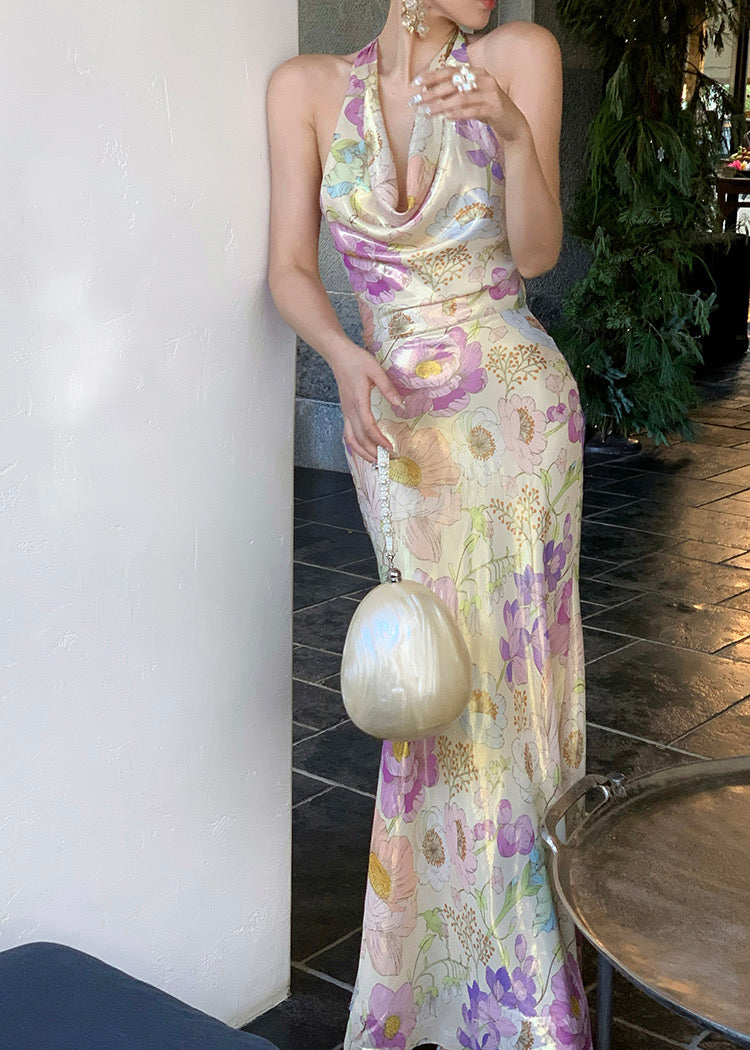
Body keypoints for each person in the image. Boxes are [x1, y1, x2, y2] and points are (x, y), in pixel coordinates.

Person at [267, 0, 592, 1045]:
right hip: (399, 427)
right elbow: (287, 267)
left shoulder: (521, 55)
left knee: (511, 692)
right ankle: (427, 986)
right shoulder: (306, 89)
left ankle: (528, 997)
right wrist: (341, 355)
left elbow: (536, 254)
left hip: (519, 416)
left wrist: (511, 130)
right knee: (431, 690)